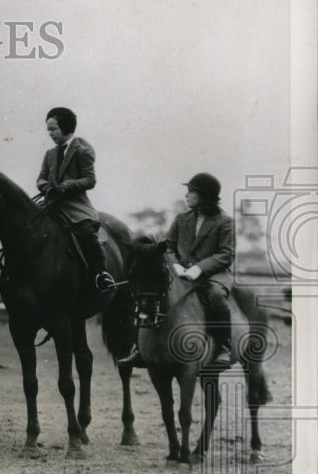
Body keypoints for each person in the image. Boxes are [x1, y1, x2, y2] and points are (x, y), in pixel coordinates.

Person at [120, 173, 234, 366]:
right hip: (179, 272)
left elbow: (226, 254)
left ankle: (224, 347)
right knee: (150, 291)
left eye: (191, 192)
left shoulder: (225, 222)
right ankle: (139, 348)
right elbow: (168, 246)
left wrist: (199, 268)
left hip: (214, 274)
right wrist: (176, 264)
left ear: (204, 196)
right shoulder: (181, 219)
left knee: (216, 296)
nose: (186, 195)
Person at [36, 107, 115, 293]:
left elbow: (90, 179)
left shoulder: (82, 151)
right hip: (52, 203)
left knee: (86, 232)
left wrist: (66, 186)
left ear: (66, 127)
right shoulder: (49, 154)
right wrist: (46, 187)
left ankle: (100, 274)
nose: (50, 133)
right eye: (48, 129)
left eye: (53, 129)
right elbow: (40, 178)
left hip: (76, 206)